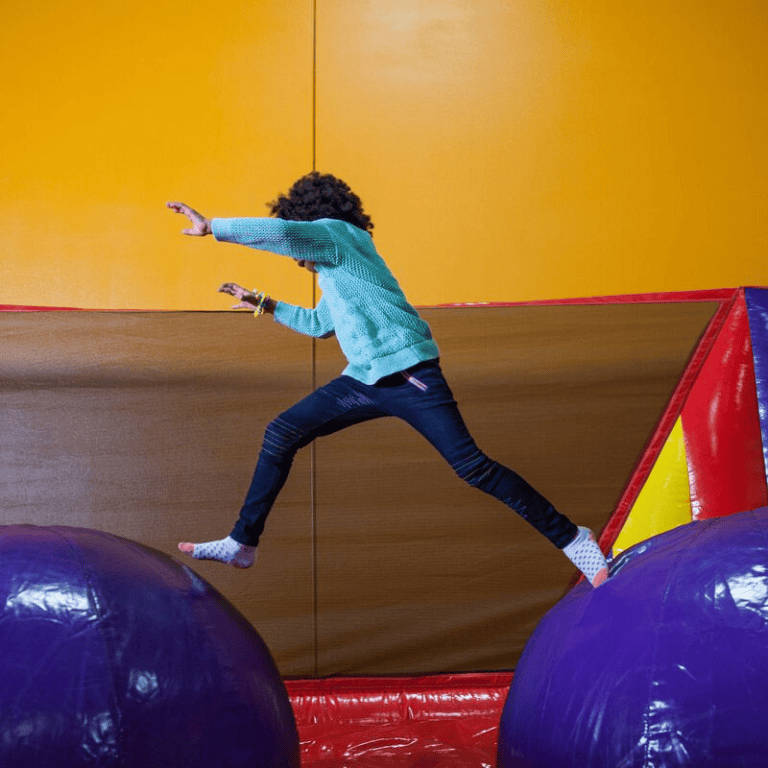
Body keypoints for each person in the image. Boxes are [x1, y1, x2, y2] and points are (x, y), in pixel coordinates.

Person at [166, 172, 609, 586]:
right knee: (281, 432)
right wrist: (263, 303)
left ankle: (573, 539)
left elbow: (284, 235)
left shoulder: (339, 237)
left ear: (311, 223)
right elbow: (321, 325)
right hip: (363, 381)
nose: (297, 259)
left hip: (409, 374)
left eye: (300, 243)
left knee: (473, 468)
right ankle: (242, 543)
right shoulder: (337, 275)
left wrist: (212, 227)